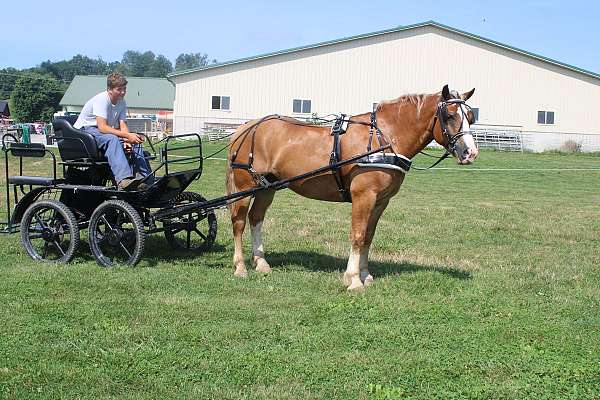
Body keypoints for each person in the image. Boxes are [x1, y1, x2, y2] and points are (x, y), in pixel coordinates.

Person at [73, 73, 152, 190]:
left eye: (124, 89)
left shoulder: (122, 102)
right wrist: (125, 135)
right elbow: (102, 127)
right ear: (109, 89)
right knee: (112, 139)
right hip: (86, 130)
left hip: (102, 129)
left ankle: (145, 180)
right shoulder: (102, 99)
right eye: (119, 89)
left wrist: (128, 139)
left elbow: (123, 125)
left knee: (135, 139)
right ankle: (123, 180)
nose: (123, 92)